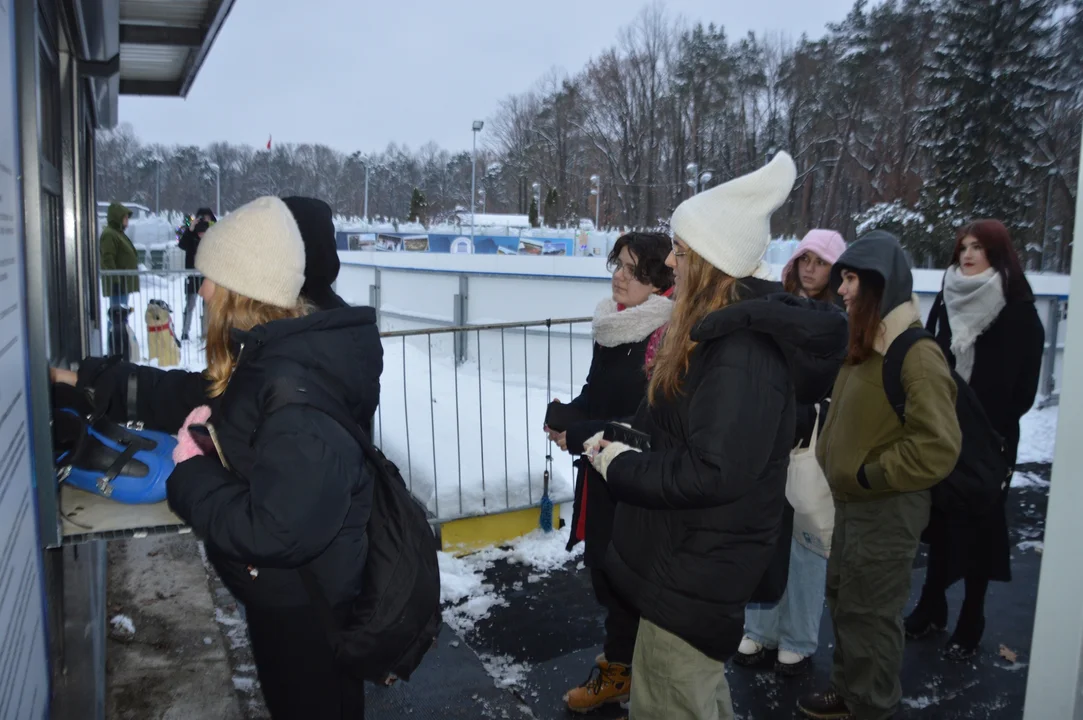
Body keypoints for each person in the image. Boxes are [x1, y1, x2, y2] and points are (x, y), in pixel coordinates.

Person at [56, 196, 382, 719]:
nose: (202, 288)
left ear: (244, 288)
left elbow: (276, 530)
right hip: (291, 591)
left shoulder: (294, 383)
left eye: (212, 276)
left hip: (302, 601)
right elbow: (198, 396)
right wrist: (95, 381)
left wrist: (188, 475)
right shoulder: (273, 354)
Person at [585, 152, 848, 720]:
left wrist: (620, 466)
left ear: (710, 259)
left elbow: (712, 470)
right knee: (690, 696)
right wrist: (625, 437)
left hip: (697, 565)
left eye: (681, 250)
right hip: (686, 557)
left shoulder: (741, 352)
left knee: (670, 698)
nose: (671, 261)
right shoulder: (718, 335)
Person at [799, 230, 962, 720]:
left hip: (887, 505)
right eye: (842, 277)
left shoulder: (914, 352)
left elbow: (939, 445)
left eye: (851, 279)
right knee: (847, 601)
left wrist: (871, 475)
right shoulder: (869, 343)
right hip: (854, 504)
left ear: (880, 286)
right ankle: (850, 692)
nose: (842, 289)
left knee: (873, 611)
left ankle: (872, 706)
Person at [904, 219, 1045, 661]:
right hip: (945, 432)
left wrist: (988, 427)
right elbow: (930, 357)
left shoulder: (1017, 308)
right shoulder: (946, 300)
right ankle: (932, 606)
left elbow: (1024, 387)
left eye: (978, 248)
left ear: (997, 254)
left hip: (990, 438)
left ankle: (973, 615)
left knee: (982, 525)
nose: (967, 255)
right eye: (962, 247)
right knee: (941, 516)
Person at [549, 232, 674, 713]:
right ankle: (625, 667)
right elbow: (594, 395)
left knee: (627, 575)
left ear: (657, 279)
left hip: (635, 477)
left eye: (632, 268)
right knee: (606, 572)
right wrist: (565, 415)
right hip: (599, 470)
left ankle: (627, 670)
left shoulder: (666, 334)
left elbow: (645, 422)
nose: (618, 275)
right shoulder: (612, 326)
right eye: (616, 264)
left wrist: (580, 430)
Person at [735, 228, 847, 677]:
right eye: (804, 259)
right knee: (765, 533)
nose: (809, 269)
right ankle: (760, 628)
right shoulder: (777, 307)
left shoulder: (842, 318)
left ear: (836, 269)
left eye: (819, 262)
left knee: (806, 542)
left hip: (812, 442)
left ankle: (799, 636)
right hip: (770, 434)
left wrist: (810, 411)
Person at [178, 207, 216, 340]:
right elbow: (181, 244)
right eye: (202, 218)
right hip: (192, 274)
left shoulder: (214, 232)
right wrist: (190, 229)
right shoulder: (191, 234)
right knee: (190, 304)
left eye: (207, 219)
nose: (204, 223)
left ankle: (205, 332)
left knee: (207, 305)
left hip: (208, 275)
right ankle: (185, 331)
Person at [100, 201, 139, 308]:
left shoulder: (118, 233)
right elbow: (108, 258)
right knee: (117, 316)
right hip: (119, 284)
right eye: (125, 218)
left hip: (123, 283)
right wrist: (115, 280)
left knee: (120, 315)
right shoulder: (109, 234)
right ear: (117, 218)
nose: (127, 221)